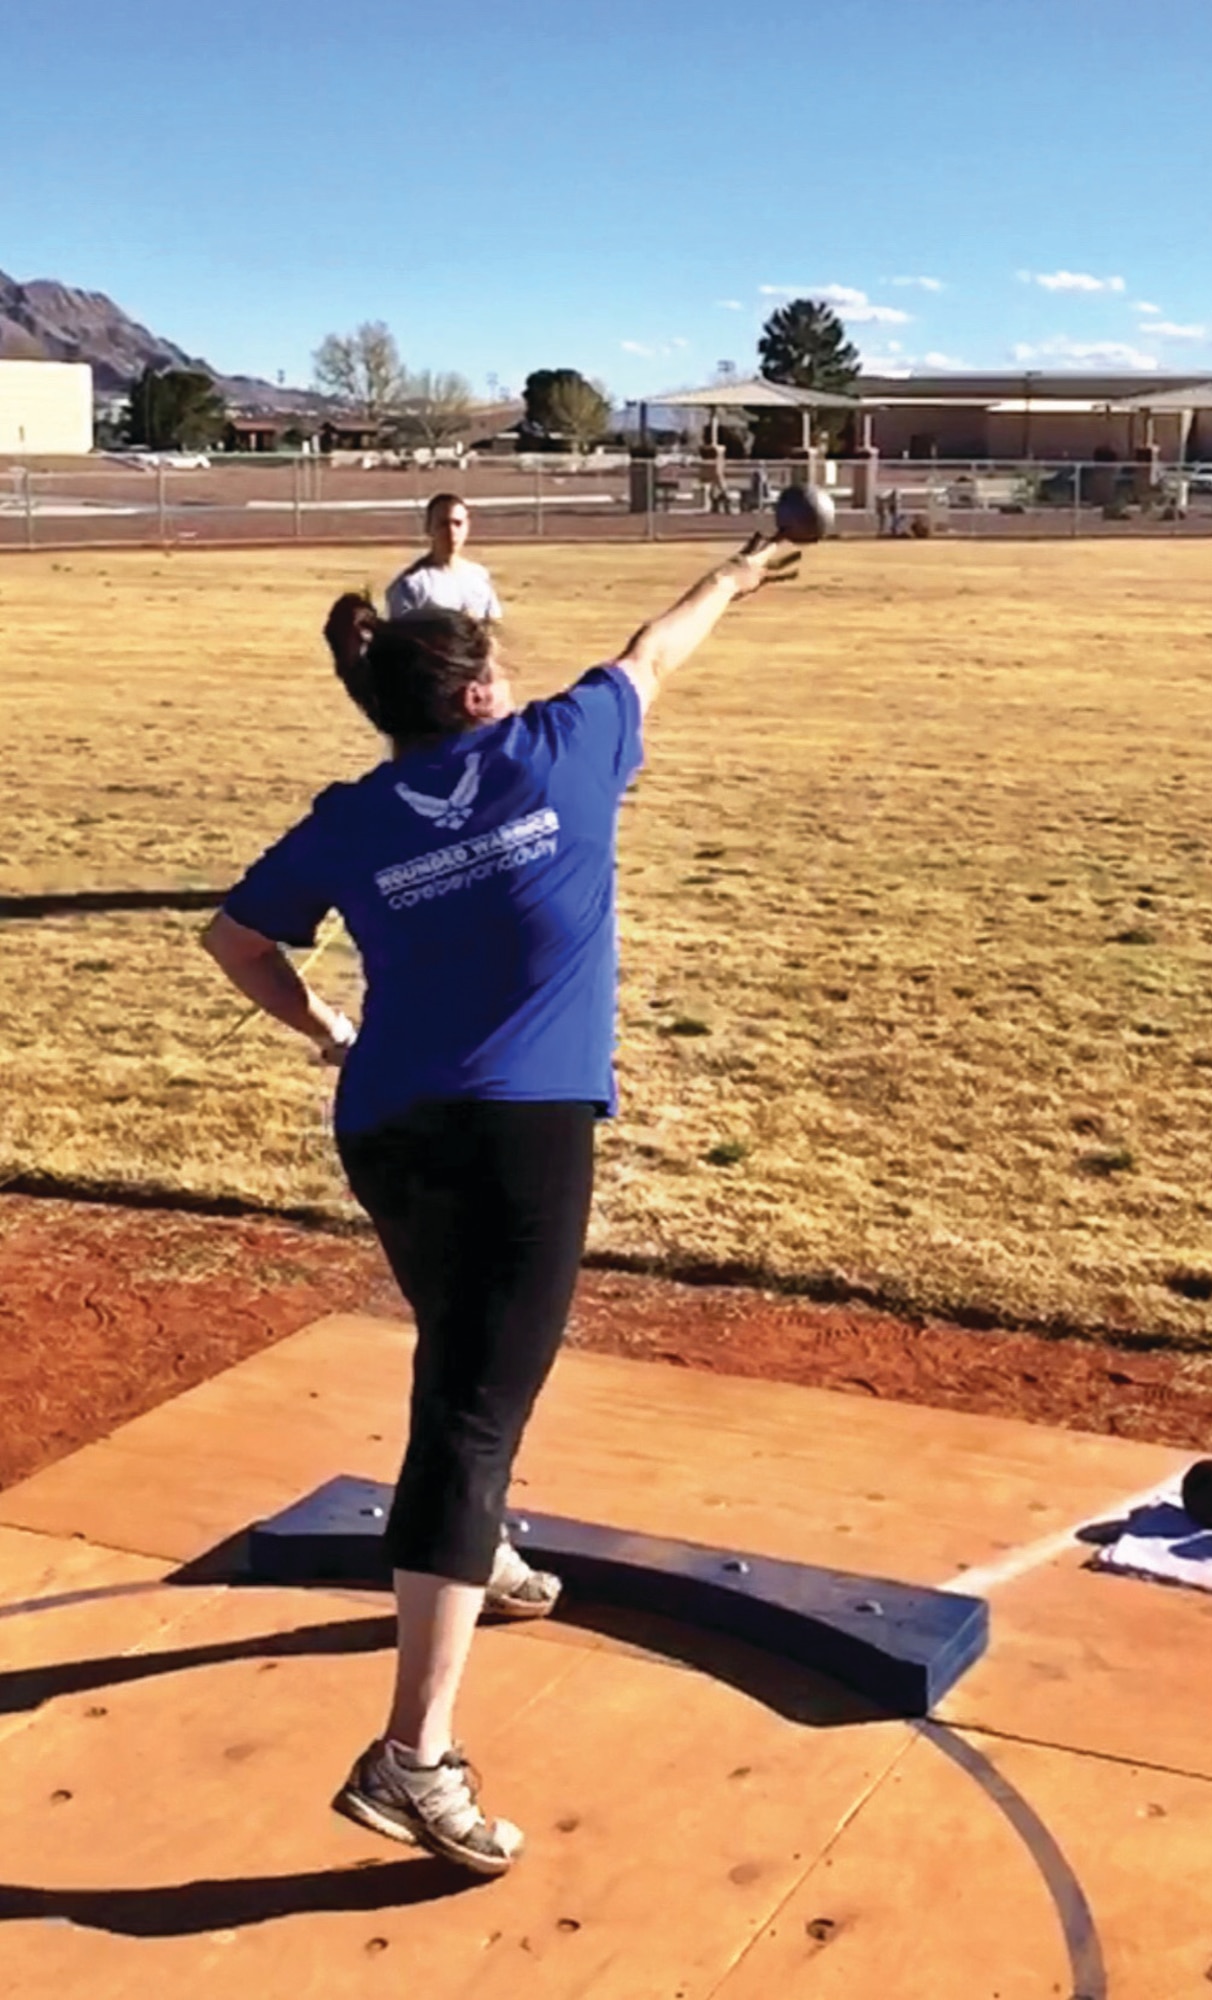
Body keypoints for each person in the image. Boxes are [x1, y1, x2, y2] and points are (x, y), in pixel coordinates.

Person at [202, 532, 800, 1876]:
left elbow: (233, 937)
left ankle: (488, 1547)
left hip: (386, 1130)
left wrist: (319, 1029)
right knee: (469, 1411)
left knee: (464, 1371)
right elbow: (658, 650)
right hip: (518, 1135)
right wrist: (738, 574)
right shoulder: (555, 750)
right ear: (477, 695)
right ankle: (411, 1759)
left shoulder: (354, 814)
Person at [385, 492, 501, 623]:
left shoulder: (479, 576)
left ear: (467, 526)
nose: (451, 532)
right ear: (428, 528)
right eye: (443, 524)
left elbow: (493, 628)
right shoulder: (412, 585)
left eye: (458, 523)